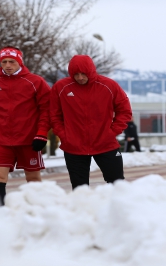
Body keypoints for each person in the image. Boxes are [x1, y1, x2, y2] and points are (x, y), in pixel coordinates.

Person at [0, 46, 51, 207]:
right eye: (4, 62)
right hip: (0, 140)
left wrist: (41, 133)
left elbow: (47, 110)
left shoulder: (35, 82)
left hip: (29, 139)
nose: (7, 65)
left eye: (12, 61)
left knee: (33, 179)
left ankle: (38, 212)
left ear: (20, 62)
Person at [50, 55, 132, 189]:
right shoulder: (61, 87)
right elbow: (54, 115)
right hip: (74, 146)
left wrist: (111, 132)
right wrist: (64, 135)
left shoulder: (109, 86)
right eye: (76, 74)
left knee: (117, 184)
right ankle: (82, 210)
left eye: (84, 74)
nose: (80, 78)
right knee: (79, 188)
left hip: (105, 143)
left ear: (91, 71)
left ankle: (118, 209)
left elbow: (125, 111)